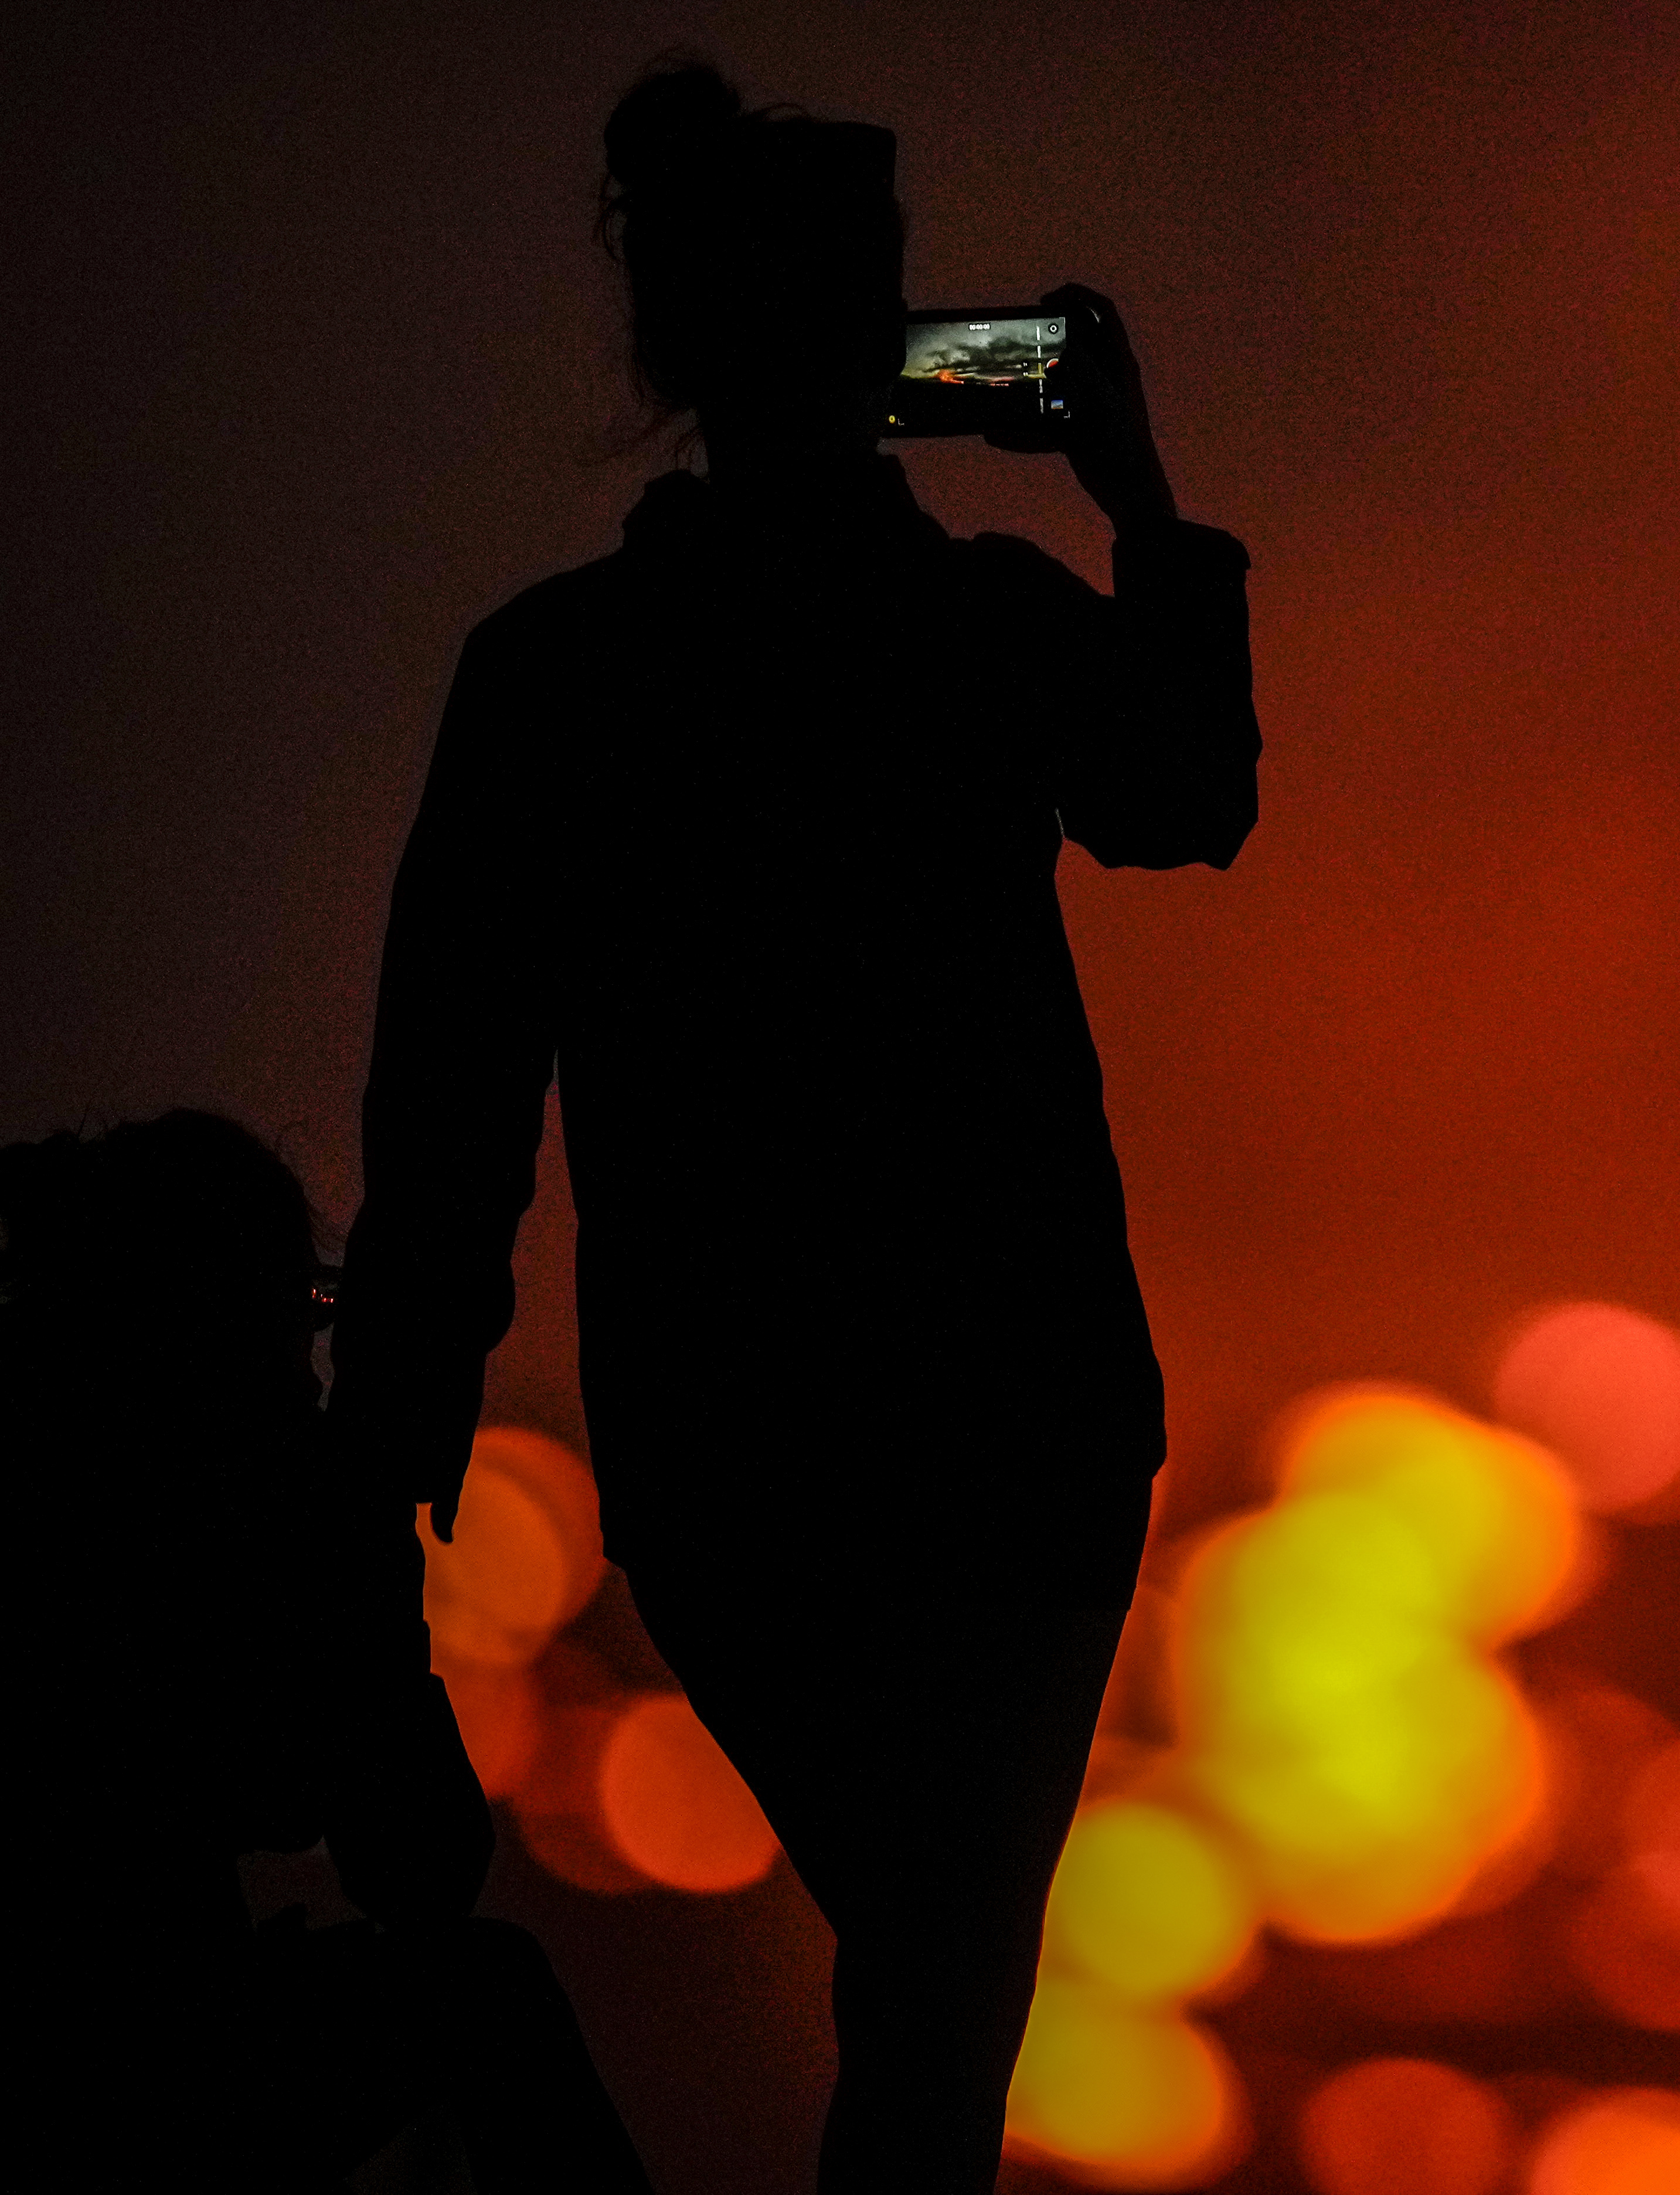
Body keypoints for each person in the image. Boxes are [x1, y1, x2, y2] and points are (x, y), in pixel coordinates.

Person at [325, 56, 1260, 2194]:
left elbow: (446, 1118)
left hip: (746, 1450)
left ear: (673, 353)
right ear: (889, 350)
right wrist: (1133, 496)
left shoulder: (556, 675)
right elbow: (1186, 795)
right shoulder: (978, 630)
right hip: (1012, 1421)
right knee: (943, 1996)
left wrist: (379, 1471)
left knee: (928, 1992)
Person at [4, 1109, 652, 2191]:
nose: (309, 1382)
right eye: (294, 1324)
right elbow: (423, 1868)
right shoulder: (181, 1506)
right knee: (493, 1999)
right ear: (213, 1325)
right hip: (123, 2067)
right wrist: (363, 1570)